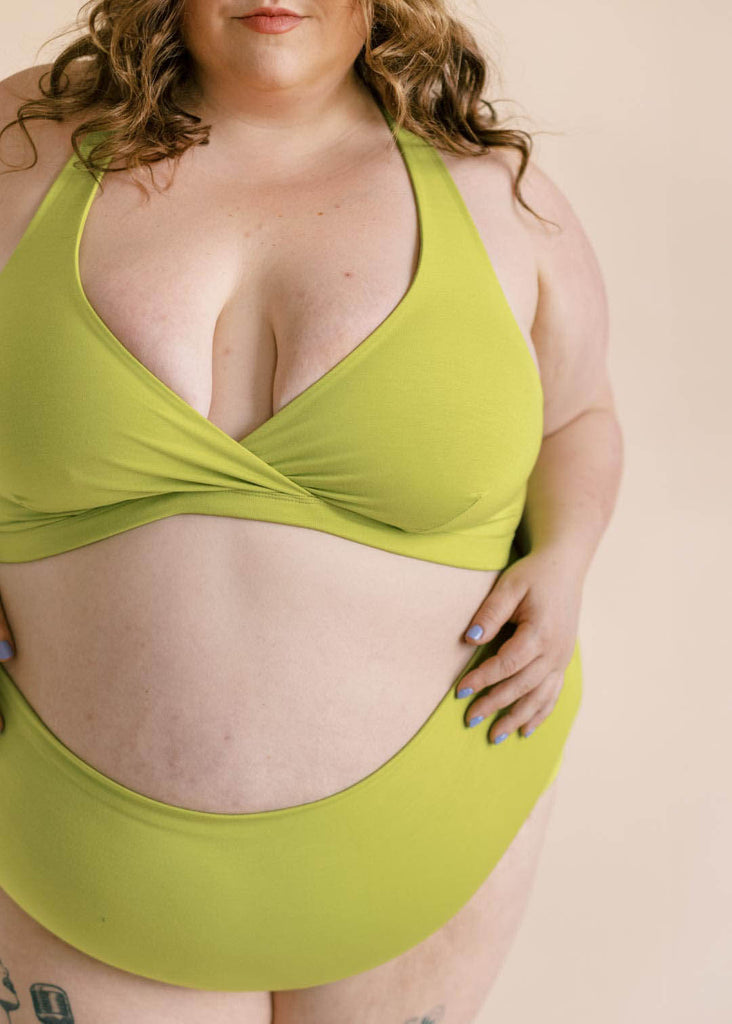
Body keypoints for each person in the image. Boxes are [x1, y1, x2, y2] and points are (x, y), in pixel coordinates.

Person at [0, 0, 623, 1020]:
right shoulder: (24, 145)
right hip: (65, 837)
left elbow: (582, 413)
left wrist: (565, 561)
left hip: (435, 813)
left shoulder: (495, 195)